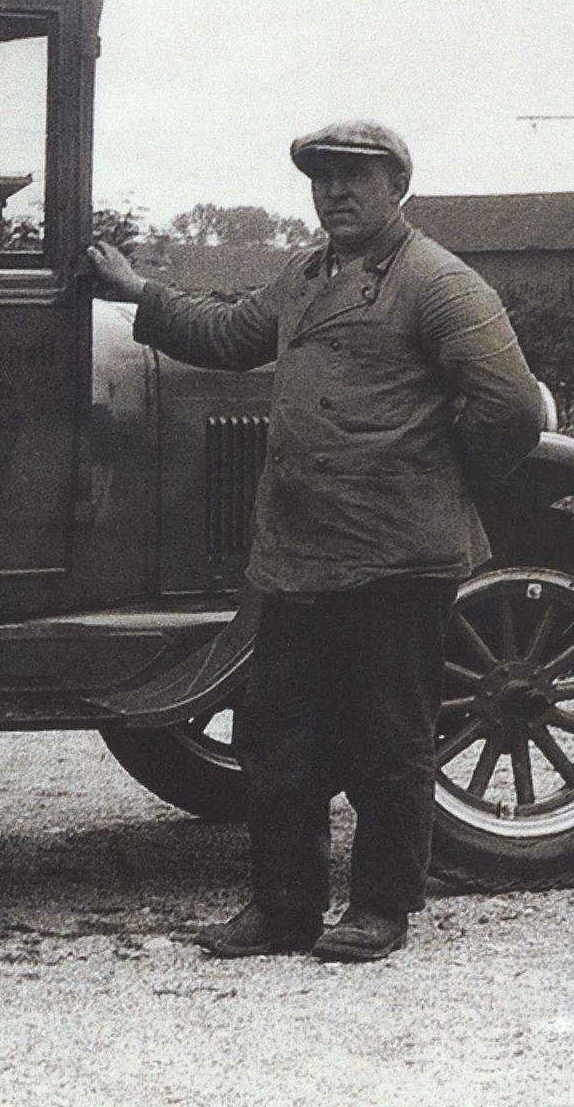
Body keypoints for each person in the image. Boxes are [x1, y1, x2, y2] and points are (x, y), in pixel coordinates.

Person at [85, 121, 545, 963]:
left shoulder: (439, 282)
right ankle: (284, 907)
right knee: (277, 733)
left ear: (397, 185)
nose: (334, 191)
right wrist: (135, 291)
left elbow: (511, 408)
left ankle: (381, 908)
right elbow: (226, 338)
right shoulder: (306, 275)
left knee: (390, 736)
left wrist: (437, 477)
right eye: (322, 177)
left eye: (354, 177)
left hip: (396, 557)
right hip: (297, 554)